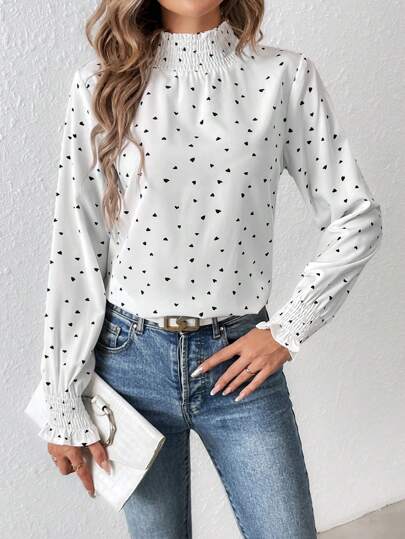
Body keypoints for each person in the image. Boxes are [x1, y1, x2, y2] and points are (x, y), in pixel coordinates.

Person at [36, 1, 383, 537]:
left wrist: (287, 331)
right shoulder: (98, 85)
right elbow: (76, 249)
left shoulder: (284, 77)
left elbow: (356, 216)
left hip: (240, 362)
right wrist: (61, 400)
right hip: (129, 365)